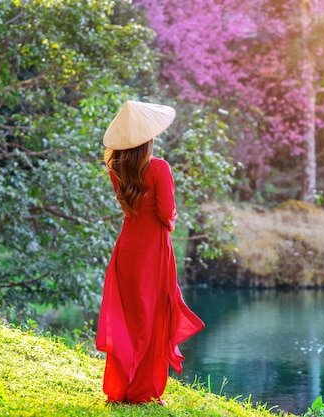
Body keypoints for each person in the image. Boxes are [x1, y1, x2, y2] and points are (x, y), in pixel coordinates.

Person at [95, 100, 205, 405]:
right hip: (153, 252)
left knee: (127, 319)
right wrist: (171, 219)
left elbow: (131, 206)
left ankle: (121, 389)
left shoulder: (115, 167)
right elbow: (166, 214)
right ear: (149, 137)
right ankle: (142, 391)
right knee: (151, 319)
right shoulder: (159, 168)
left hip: (127, 249)